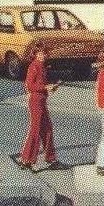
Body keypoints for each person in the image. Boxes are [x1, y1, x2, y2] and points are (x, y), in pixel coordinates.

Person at [15, 44, 67, 172]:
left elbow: (41, 86)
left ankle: (51, 158)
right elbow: (29, 86)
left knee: (47, 129)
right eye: (39, 54)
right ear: (35, 55)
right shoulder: (34, 66)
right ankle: (26, 159)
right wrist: (45, 87)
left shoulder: (42, 67)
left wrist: (51, 88)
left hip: (41, 100)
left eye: (44, 53)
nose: (42, 56)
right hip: (35, 101)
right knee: (36, 130)